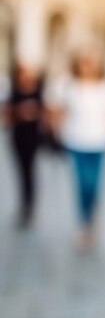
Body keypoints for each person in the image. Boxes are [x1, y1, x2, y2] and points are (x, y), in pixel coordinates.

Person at [46, 48, 105, 250]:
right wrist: (55, 132)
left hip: (100, 143)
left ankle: (91, 218)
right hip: (76, 142)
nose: (88, 66)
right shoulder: (68, 86)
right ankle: (84, 223)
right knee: (82, 184)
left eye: (91, 62)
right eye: (84, 62)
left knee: (95, 185)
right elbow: (56, 110)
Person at [3, 62, 45, 227]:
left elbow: (46, 112)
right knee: (22, 172)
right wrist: (19, 112)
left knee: (31, 171)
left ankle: (30, 204)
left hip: (34, 138)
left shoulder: (39, 92)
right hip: (18, 138)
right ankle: (24, 204)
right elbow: (6, 117)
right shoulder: (13, 93)